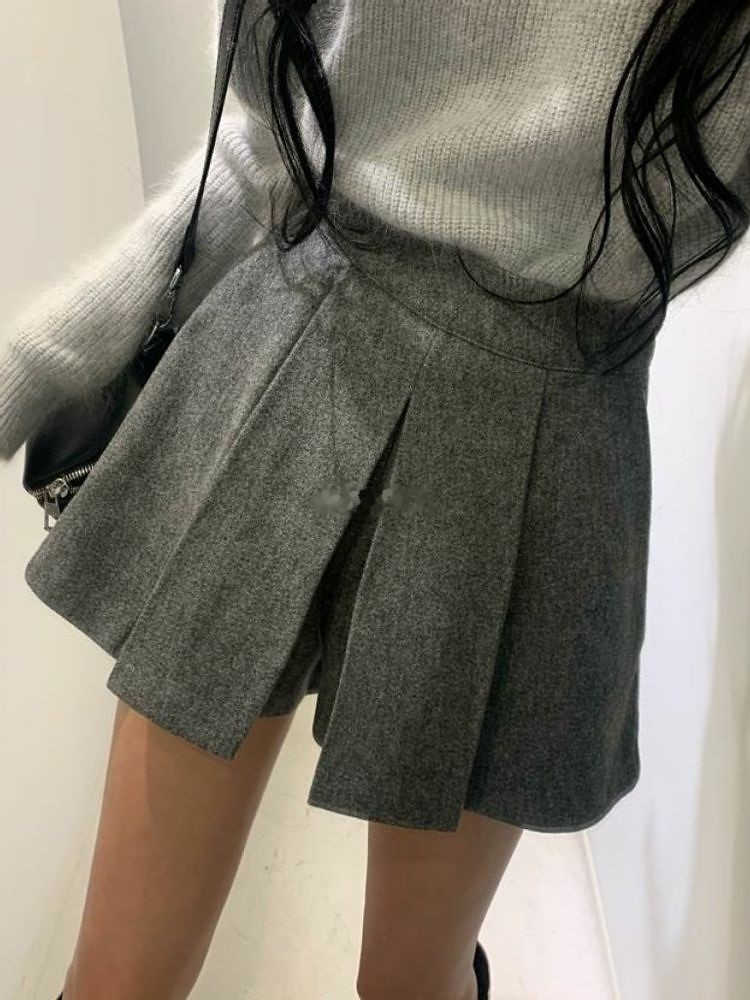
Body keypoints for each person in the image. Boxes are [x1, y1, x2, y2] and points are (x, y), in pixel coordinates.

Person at [2, 1, 749, 997]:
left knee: (413, 983)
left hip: (551, 431)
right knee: (116, 983)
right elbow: (262, 144)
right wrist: (35, 363)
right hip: (293, 352)